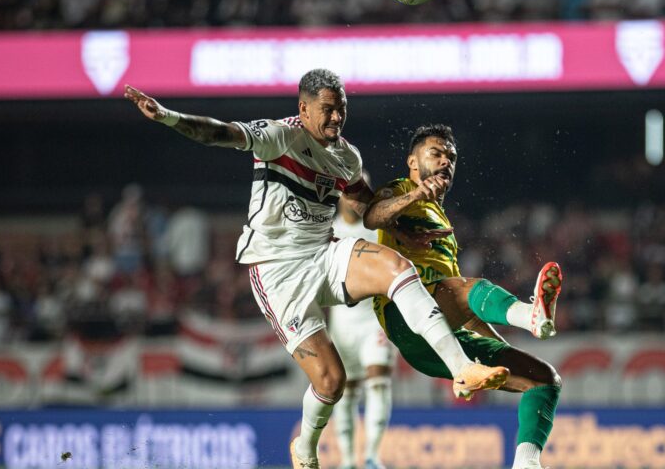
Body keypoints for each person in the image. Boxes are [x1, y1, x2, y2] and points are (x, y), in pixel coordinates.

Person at [123, 69, 509, 469]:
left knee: (397, 267)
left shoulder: (346, 156)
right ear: (303, 109)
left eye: (342, 110)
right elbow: (219, 132)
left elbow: (366, 210)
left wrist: (401, 224)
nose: (336, 118)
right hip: (277, 272)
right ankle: (305, 450)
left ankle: (462, 369)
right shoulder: (279, 136)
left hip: (323, 254)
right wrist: (169, 116)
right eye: (328, 110)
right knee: (331, 382)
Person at [363, 124, 563, 469]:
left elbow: (465, 310)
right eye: (435, 154)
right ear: (412, 161)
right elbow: (371, 216)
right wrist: (414, 196)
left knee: (544, 380)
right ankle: (532, 315)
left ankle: (526, 463)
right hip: (405, 319)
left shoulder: (444, 226)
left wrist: (501, 349)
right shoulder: (401, 190)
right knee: (460, 288)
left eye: (451, 157)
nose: (445, 162)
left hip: (442, 339)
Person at [328, 179, 396, 469]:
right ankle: (347, 460)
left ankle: (371, 456)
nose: (356, 200)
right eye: (350, 194)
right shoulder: (326, 231)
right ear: (340, 197)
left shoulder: (378, 229)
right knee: (344, 392)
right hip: (342, 324)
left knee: (378, 383)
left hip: (374, 321)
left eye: (361, 194)